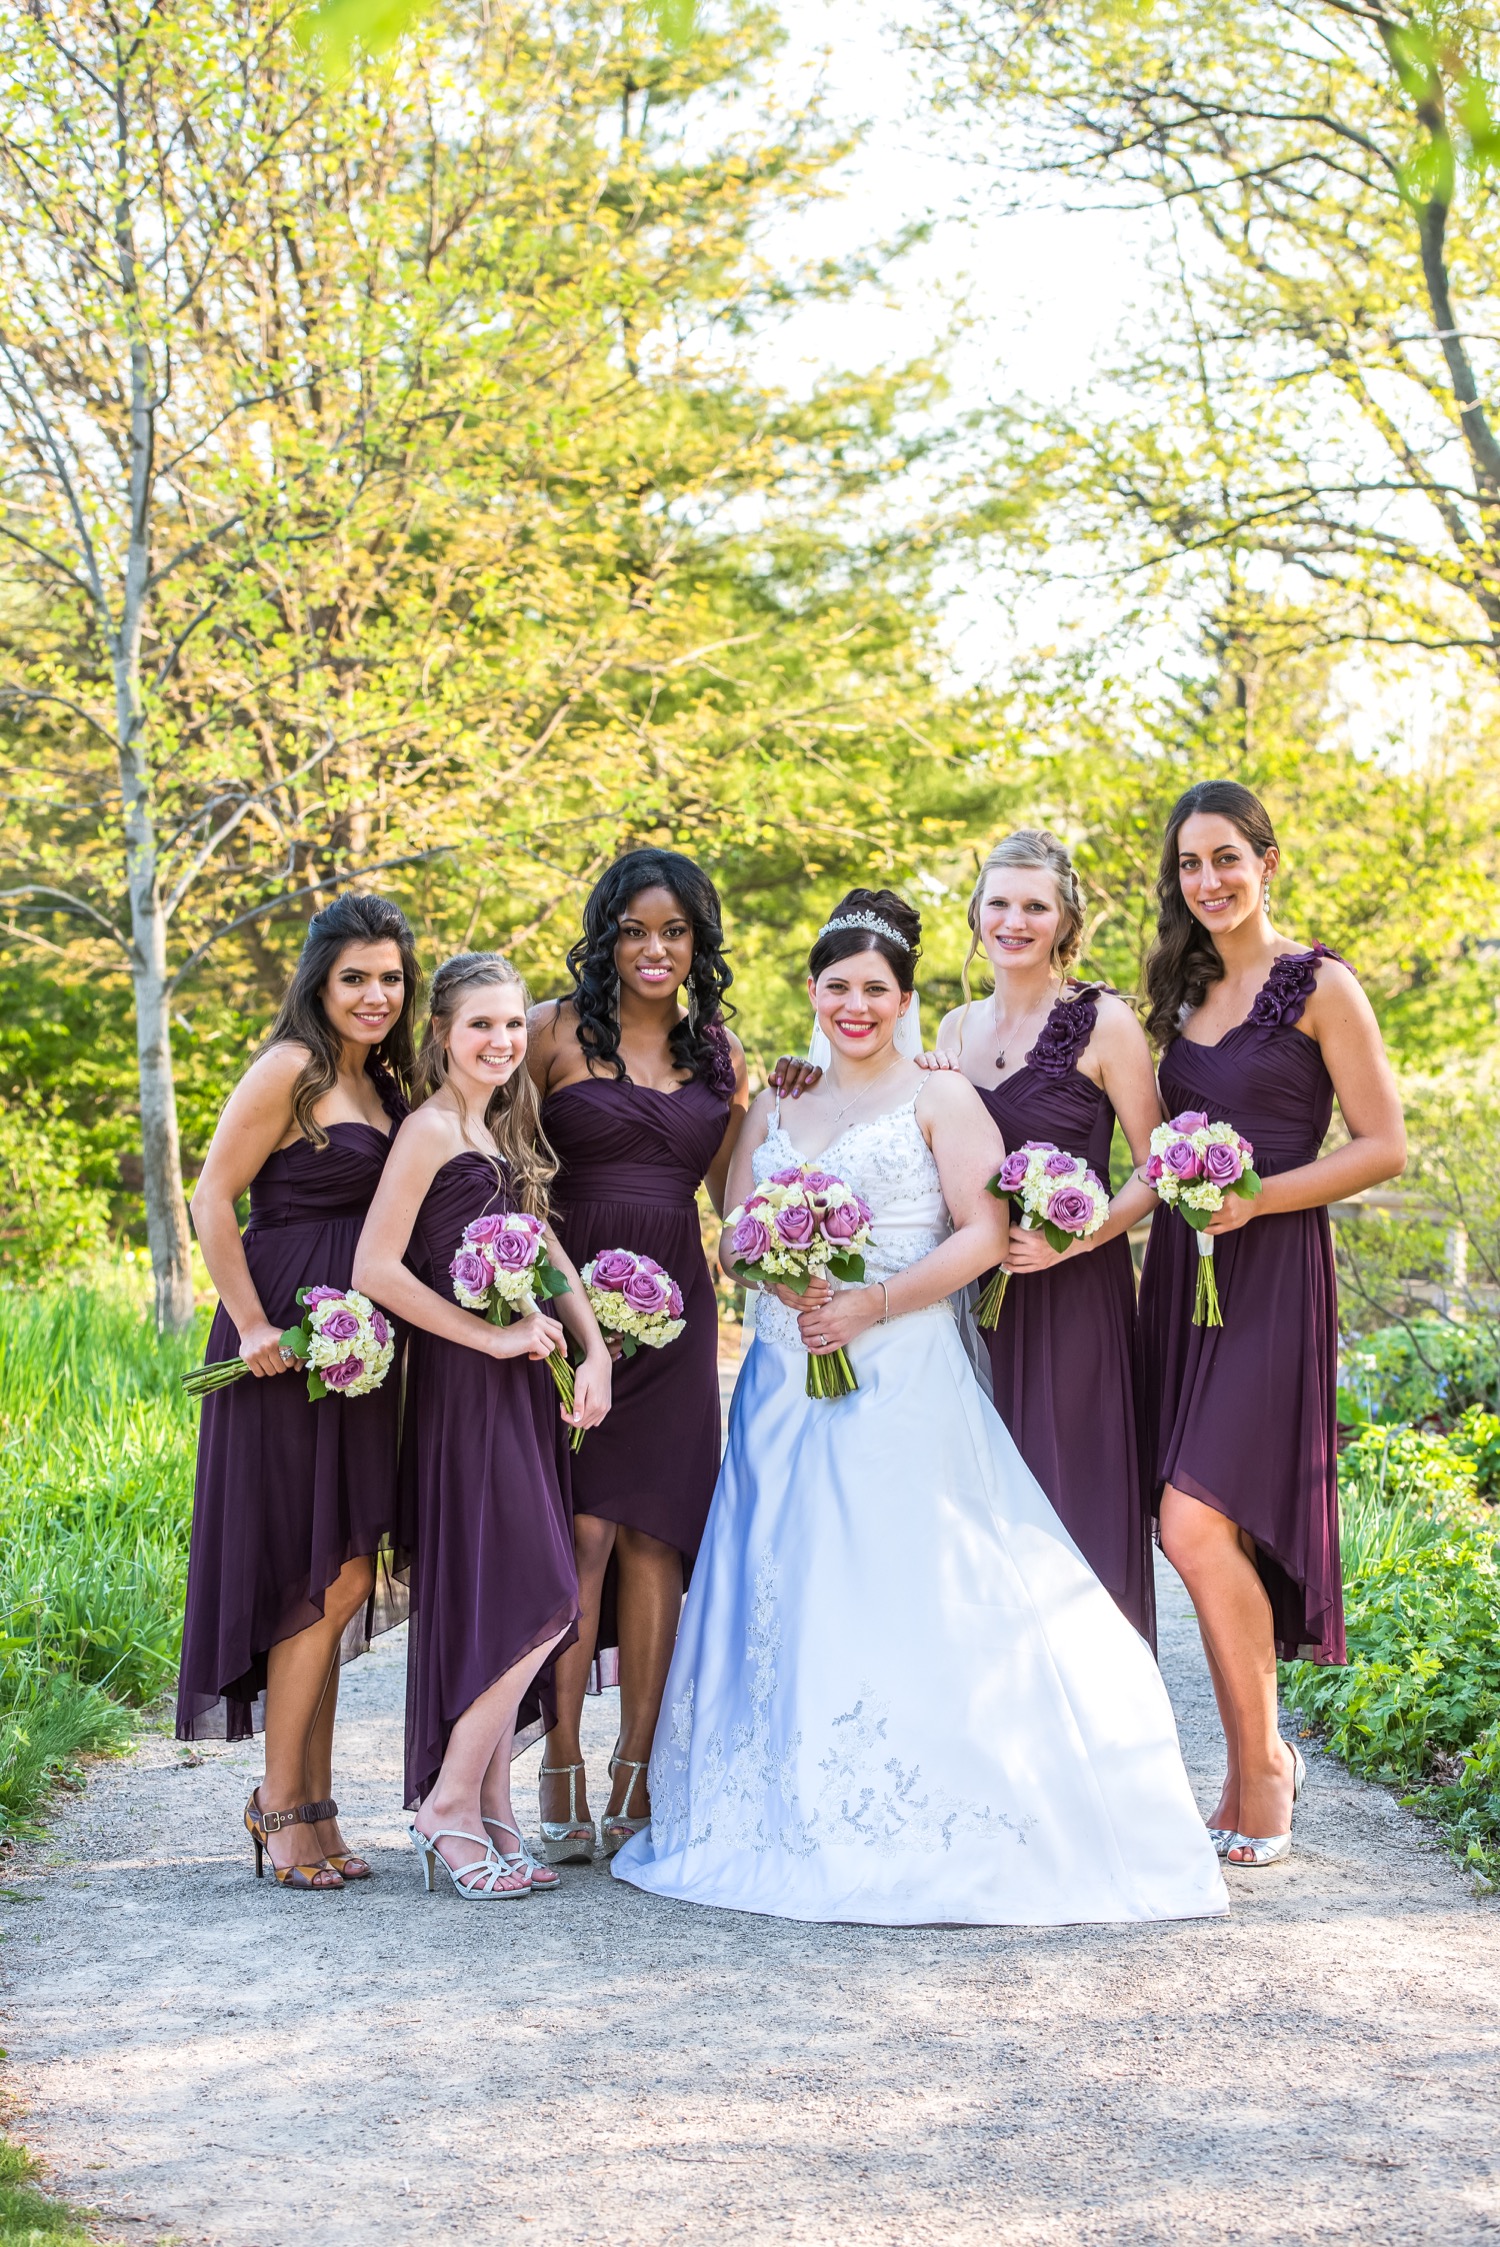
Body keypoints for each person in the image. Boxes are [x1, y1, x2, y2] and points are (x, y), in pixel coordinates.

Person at [613, 889, 1227, 1925]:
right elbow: (733, 1231)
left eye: (875, 990)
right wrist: (772, 1268)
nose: (855, 1007)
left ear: (905, 1001)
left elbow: (984, 1235)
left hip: (901, 1372)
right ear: (813, 992)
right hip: (782, 1382)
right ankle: (782, 1802)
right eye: (837, 987)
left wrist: (873, 1302)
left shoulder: (941, 1097)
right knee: (788, 1581)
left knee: (902, 1577)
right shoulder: (774, 1104)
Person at [1138, 781, 1405, 1868]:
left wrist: (1259, 1199)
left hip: (1274, 1265)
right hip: (1183, 1272)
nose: (1208, 881)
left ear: (1267, 861)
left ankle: (1263, 1771)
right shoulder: (1180, 990)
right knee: (1206, 1532)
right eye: (1190, 864)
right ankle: (1253, 1765)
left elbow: (1384, 1145)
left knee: (1195, 1521)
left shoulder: (1321, 985)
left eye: (1226, 858)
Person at [526, 849, 770, 1860]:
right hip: (570, 1302)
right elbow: (505, 1165)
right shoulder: (547, 1031)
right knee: (581, 1533)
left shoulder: (721, 1053)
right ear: (606, 938)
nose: (654, 949)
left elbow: (735, 1193)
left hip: (676, 1311)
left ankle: (638, 1767)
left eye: (674, 931)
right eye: (634, 931)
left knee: (660, 1537)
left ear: (699, 942)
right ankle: (560, 1759)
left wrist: (791, 1101)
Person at [354, 953, 612, 1899]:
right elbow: (376, 1267)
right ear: (442, 1033)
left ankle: (492, 1808)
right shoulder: (428, 1129)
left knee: (511, 1591)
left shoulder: (499, 1123)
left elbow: (545, 1248)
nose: (502, 1041)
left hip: (522, 1387)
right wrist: (493, 1338)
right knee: (544, 1593)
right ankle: (448, 1803)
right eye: (481, 1025)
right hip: (466, 1386)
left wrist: (595, 1347)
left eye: (511, 1024)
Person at [177, 891, 417, 1890]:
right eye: (355, 977)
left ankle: (313, 1804)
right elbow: (210, 1195)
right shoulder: (290, 1067)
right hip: (281, 1344)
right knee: (314, 1575)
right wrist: (253, 1324)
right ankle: (279, 1804)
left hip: (356, 1357)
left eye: (391, 978)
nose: (375, 995)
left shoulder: (387, 1084)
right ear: (320, 981)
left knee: (341, 1571)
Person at [925, 831, 1162, 1642]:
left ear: (1065, 920)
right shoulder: (953, 1029)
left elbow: (1157, 1164)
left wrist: (1084, 1238)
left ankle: (1102, 1692)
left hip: (1073, 1300)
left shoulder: (1106, 1023)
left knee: (1069, 1500)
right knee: (981, 1518)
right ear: (976, 913)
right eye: (999, 903)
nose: (1014, 921)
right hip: (972, 1305)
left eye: (1035, 905)